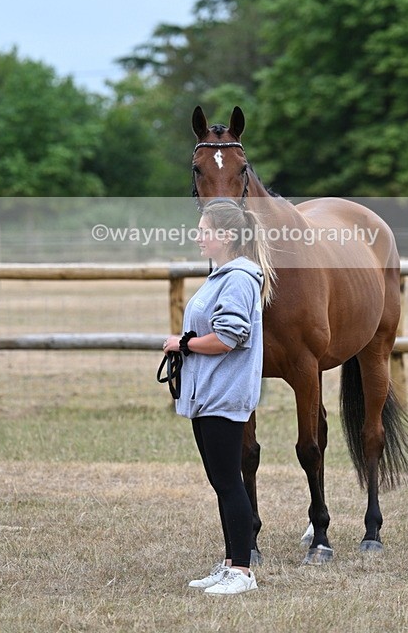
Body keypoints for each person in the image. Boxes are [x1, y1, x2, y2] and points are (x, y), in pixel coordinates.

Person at [162, 198, 275, 595]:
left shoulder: (239, 278)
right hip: (207, 395)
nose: (199, 237)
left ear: (226, 236)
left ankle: (242, 572)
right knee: (222, 482)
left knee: (229, 482)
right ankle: (231, 563)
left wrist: (184, 344)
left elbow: (228, 337)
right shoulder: (222, 276)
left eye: (205, 231)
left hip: (223, 396)